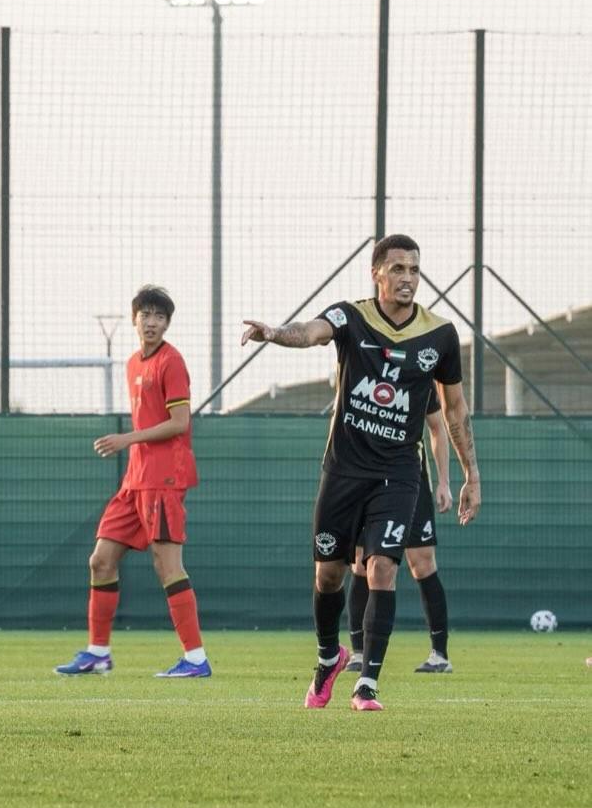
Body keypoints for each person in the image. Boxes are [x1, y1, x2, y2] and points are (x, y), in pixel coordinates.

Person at [241, 234, 480, 711]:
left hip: (398, 473)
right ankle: (329, 657)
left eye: (414, 269)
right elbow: (311, 331)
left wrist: (470, 475)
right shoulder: (350, 317)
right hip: (344, 470)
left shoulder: (440, 335)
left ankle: (367, 682)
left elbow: (453, 411)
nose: (407, 278)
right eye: (398, 268)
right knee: (329, 575)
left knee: (383, 568)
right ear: (377, 274)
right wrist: (274, 333)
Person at [56, 285, 210, 679]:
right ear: (134, 319)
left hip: (164, 478)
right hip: (134, 481)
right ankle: (98, 653)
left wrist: (127, 439)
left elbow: (180, 422)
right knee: (101, 560)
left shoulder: (171, 362)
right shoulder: (132, 363)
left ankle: (195, 659)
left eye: (160, 316)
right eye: (146, 315)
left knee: (167, 565)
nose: (152, 322)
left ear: (167, 323)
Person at [346, 391, 454, 675]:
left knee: (422, 562)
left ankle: (439, 655)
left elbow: (437, 426)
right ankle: (358, 652)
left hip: (409, 479)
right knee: (360, 562)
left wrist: (444, 482)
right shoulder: (359, 370)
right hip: (364, 477)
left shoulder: (420, 374)